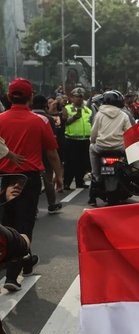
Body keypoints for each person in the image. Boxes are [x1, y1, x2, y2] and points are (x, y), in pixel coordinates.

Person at [0, 78, 63, 291]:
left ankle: (25, 260)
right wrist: (59, 176)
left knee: (7, 220)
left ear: (9, 97)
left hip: (2, 178)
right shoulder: (39, 121)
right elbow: (52, 153)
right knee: (23, 224)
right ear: (30, 96)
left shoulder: (0, 120)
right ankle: (11, 274)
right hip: (27, 179)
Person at [88, 90, 131, 205]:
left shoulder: (99, 114)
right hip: (119, 149)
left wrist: (93, 141)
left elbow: (93, 133)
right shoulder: (124, 115)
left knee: (91, 148)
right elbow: (129, 133)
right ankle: (131, 172)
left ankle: (96, 174)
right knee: (132, 155)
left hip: (101, 148)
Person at [31, 95, 63, 214]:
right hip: (46, 153)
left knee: (31, 183)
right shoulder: (48, 119)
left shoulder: (29, 116)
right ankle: (52, 204)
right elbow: (52, 140)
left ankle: (33, 208)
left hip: (31, 154)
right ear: (46, 105)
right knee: (48, 179)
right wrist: (59, 174)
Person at [62, 87, 92, 190]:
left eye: (81, 97)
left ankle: (80, 182)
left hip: (84, 140)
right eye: (76, 96)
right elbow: (64, 122)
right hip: (71, 140)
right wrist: (75, 117)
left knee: (82, 162)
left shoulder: (87, 110)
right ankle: (66, 183)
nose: (79, 99)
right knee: (70, 163)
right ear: (71, 97)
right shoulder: (67, 108)